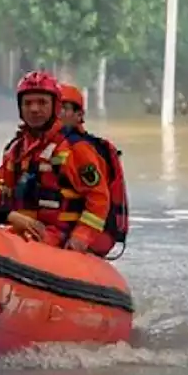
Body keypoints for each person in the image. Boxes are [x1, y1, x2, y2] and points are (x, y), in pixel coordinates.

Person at [0, 71, 112, 254]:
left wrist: (81, 237)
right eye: (28, 103)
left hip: (58, 237)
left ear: (55, 107)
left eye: (42, 102)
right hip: (21, 233)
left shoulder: (76, 148)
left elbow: (98, 198)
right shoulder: (15, 150)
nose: (34, 109)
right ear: (20, 108)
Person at [53, 81, 130, 257]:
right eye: (55, 108)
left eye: (63, 108)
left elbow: (98, 198)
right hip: (48, 229)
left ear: (79, 115)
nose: (57, 114)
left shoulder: (80, 149)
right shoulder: (34, 147)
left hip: (80, 233)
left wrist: (82, 236)